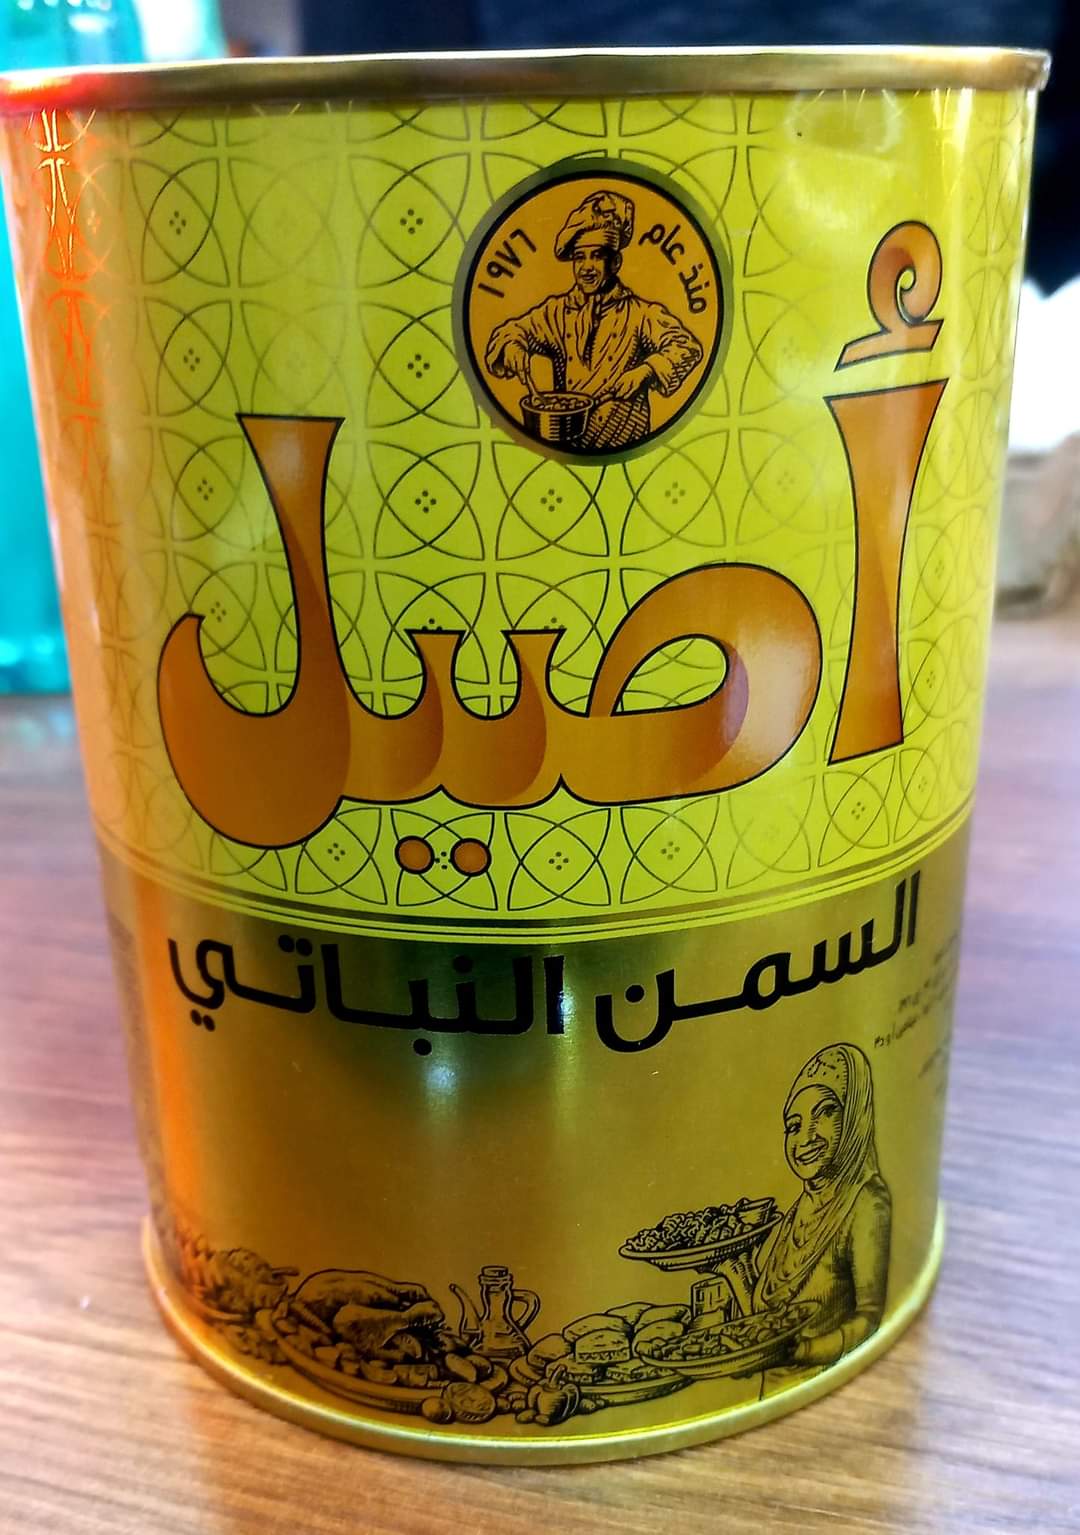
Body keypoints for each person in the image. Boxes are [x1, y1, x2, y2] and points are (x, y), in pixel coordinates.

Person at [484, 190, 704, 450]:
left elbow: (687, 347)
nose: (587, 267)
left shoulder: (641, 313)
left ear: (615, 263)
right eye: (580, 257)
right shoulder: (556, 312)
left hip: (628, 445)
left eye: (597, 256)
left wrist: (647, 370)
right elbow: (511, 332)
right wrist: (512, 347)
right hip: (568, 447)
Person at [753, 1042, 892, 1395]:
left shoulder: (866, 1203)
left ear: (853, 1117)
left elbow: (870, 1316)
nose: (805, 1137)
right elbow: (763, 1322)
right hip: (771, 1390)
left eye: (826, 1112)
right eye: (793, 1125)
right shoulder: (797, 1213)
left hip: (844, 1391)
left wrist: (806, 1352)